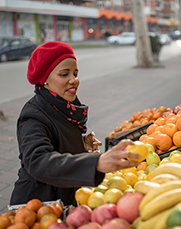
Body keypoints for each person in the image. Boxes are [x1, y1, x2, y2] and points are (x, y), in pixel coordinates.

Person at [10, 41, 141, 206]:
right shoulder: (33, 116)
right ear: (45, 80)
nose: (74, 80)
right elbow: (37, 161)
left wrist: (80, 145)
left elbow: (57, 141)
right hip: (38, 202)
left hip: (65, 195)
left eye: (75, 73)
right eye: (64, 74)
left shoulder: (64, 105)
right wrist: (97, 163)